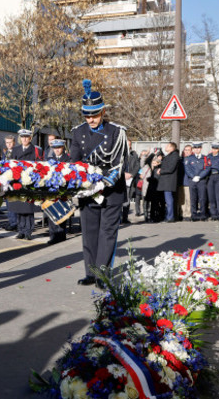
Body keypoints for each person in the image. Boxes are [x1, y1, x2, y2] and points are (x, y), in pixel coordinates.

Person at [70, 80, 128, 288]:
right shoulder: (78, 132)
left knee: (107, 234)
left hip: (111, 190)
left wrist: (102, 183)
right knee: (90, 232)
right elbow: (75, 163)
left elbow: (118, 164)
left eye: (94, 114)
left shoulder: (116, 132)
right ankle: (91, 273)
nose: (91, 119)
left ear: (102, 111)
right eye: (87, 115)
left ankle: (103, 275)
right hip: (88, 190)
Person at [9, 129, 39, 240]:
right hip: (18, 181)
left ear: (30, 138)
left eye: (27, 137)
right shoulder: (15, 150)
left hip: (29, 182)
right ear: (20, 138)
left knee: (28, 208)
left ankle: (28, 231)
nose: (24, 139)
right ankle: (21, 230)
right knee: (19, 207)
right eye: (22, 137)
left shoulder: (35, 150)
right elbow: (11, 164)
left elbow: (38, 165)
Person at [47, 139, 70, 245]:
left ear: (63, 148)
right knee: (51, 212)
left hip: (63, 189)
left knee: (61, 212)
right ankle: (53, 235)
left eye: (59, 148)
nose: (57, 150)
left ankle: (61, 235)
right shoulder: (49, 159)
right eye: (55, 148)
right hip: (51, 190)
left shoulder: (68, 159)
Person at [184, 142, 210, 221]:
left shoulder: (205, 158)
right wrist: (193, 176)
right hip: (192, 180)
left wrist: (200, 176)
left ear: (201, 148)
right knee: (193, 198)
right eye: (195, 148)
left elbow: (207, 168)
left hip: (201, 180)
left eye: (198, 148)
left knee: (202, 198)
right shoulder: (188, 158)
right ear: (193, 149)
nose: (197, 149)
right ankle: (194, 214)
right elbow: (187, 169)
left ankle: (203, 214)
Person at [157, 142, 180, 222]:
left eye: (167, 146)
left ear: (171, 147)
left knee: (169, 200)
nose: (165, 147)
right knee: (167, 200)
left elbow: (170, 168)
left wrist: (161, 171)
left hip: (169, 181)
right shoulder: (169, 156)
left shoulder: (174, 156)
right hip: (166, 181)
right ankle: (168, 216)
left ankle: (170, 217)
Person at [2, 135, 18, 232]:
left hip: (14, 180)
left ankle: (14, 223)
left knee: (13, 202)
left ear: (14, 143)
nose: (9, 144)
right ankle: (11, 220)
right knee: (8, 202)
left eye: (10, 142)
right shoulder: (6, 153)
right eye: (7, 142)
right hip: (5, 180)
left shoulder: (17, 152)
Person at [122, 139, 139, 223]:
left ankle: (124, 218)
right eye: (126, 144)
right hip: (120, 178)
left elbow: (137, 166)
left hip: (130, 179)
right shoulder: (119, 154)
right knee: (118, 199)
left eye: (129, 144)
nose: (128, 146)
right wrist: (123, 174)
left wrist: (131, 174)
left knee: (127, 198)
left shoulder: (134, 154)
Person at [177, 144, 193, 221]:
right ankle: (182, 214)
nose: (186, 151)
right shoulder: (180, 160)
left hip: (189, 182)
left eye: (188, 150)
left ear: (191, 151)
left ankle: (188, 214)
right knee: (181, 200)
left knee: (189, 199)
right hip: (181, 182)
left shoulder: (193, 159)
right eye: (185, 150)